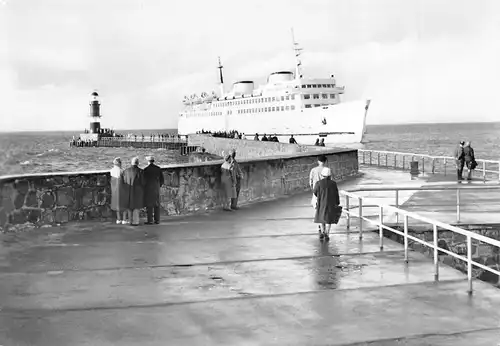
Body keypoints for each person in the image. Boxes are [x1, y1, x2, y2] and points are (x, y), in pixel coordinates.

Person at [313, 167, 341, 241]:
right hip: (331, 203)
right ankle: (327, 234)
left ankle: (323, 231)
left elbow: (315, 192)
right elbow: (336, 194)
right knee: (329, 219)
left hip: (321, 202)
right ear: (330, 176)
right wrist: (337, 202)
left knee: (322, 218)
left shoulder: (318, 183)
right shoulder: (333, 184)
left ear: (322, 175)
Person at [122, 156, 145, 226]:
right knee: (136, 206)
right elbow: (143, 182)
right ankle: (135, 221)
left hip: (128, 190)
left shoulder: (126, 171)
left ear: (131, 163)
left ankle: (130, 220)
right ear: (138, 163)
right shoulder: (141, 171)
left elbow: (124, 181)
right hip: (137, 191)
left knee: (129, 206)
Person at [309, 155, 328, 234]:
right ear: (325, 161)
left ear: (318, 161)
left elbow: (310, 182)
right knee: (324, 209)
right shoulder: (327, 170)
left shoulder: (313, 170)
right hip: (326, 192)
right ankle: (324, 226)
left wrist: (313, 190)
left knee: (317, 209)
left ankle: (320, 226)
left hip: (316, 192)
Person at [143, 156, 164, 225]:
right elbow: (162, 180)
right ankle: (157, 220)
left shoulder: (146, 170)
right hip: (156, 188)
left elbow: (144, 181)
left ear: (148, 161)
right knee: (157, 204)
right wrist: (158, 186)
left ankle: (150, 220)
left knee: (149, 205)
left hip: (149, 189)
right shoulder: (158, 169)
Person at [110, 157, 127, 224]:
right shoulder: (121, 171)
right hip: (122, 189)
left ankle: (118, 219)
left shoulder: (112, 171)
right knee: (124, 205)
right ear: (119, 163)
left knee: (117, 204)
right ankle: (124, 219)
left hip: (114, 190)